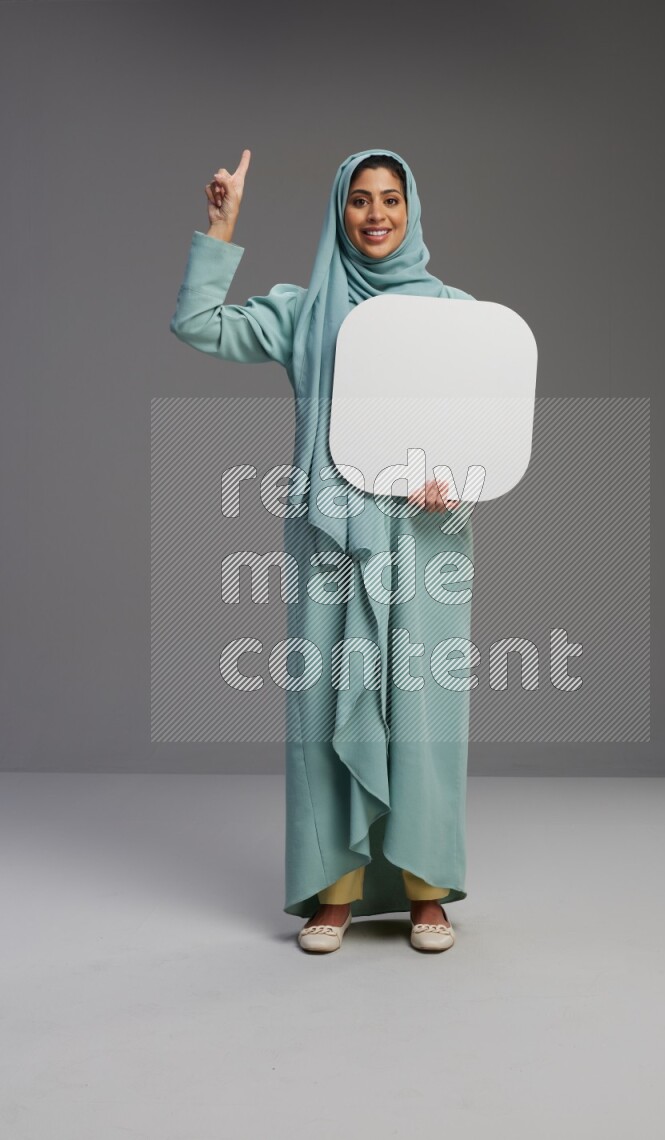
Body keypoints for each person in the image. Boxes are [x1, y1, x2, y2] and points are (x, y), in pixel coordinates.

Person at [170, 147, 476, 953]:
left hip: (423, 538)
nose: (375, 215)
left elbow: (484, 432)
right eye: (359, 201)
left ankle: (425, 891)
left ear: (412, 212)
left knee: (421, 714)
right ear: (339, 212)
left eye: (390, 200)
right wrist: (222, 225)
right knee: (321, 708)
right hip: (329, 537)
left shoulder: (454, 312)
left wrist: (455, 480)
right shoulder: (305, 312)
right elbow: (199, 324)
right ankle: (331, 893)